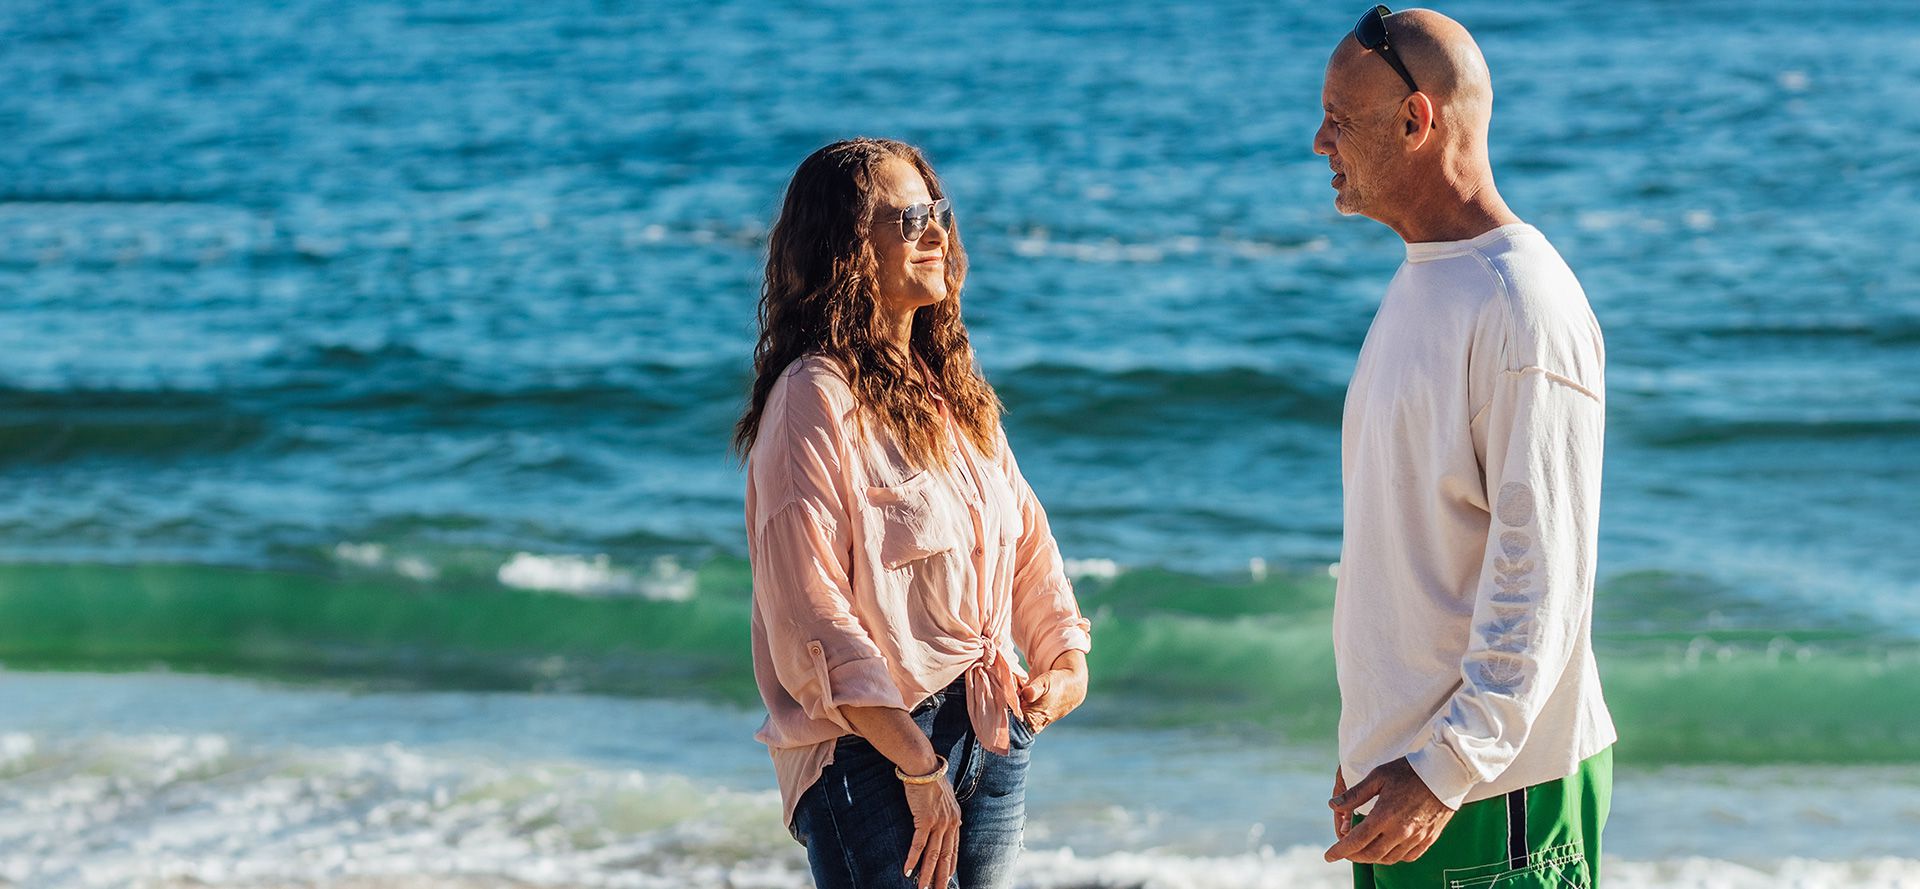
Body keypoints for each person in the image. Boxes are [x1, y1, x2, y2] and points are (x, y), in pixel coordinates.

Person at [733, 138, 1093, 889]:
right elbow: (811, 616)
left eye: (940, 213)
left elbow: (1022, 532)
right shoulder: (812, 398)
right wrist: (916, 762)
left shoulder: (952, 389)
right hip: (871, 755)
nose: (938, 233)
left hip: (991, 731)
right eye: (910, 218)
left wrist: (1063, 659)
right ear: (846, 247)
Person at [1311, 7, 1617, 887]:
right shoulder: (1423, 282)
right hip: (1408, 777)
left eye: (1340, 117)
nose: (1318, 140)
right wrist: (1375, 735)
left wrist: (1446, 769)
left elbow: (1542, 577)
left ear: (1417, 121)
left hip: (1491, 791)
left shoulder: (1524, 306)